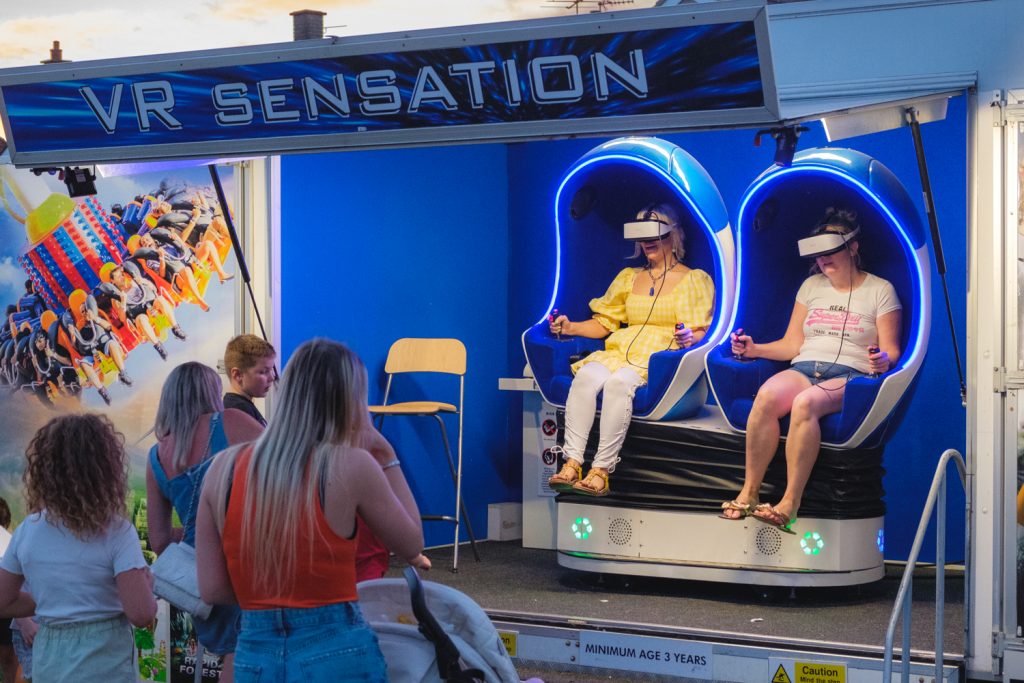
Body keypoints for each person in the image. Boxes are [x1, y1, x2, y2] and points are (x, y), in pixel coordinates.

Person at [196, 338, 430, 682]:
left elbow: (213, 589)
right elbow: (412, 542)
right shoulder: (352, 465)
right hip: (336, 651)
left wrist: (272, 598)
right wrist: (386, 454)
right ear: (349, 400)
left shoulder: (222, 469)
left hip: (253, 654)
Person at [722, 208, 902, 531]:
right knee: (765, 397)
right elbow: (792, 344)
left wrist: (882, 361)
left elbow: (893, 350)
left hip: (851, 374)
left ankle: (790, 503)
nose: (823, 260)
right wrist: (754, 349)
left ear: (853, 247)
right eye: (818, 254)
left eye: (830, 251)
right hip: (805, 367)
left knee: (805, 403)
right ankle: (749, 493)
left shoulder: (880, 290)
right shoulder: (811, 287)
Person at [546, 203, 715, 496]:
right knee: (585, 376)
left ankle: (600, 470)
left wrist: (691, 337)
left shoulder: (693, 279)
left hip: (659, 358)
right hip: (621, 350)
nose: (646, 241)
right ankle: (572, 463)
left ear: (672, 235)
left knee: (618, 384)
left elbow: (701, 331)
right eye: (640, 234)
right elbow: (604, 323)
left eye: (653, 233)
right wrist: (570, 327)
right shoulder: (628, 277)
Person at [0, 413, 157, 682]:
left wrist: (50, 601)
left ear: (45, 470)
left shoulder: (28, 530)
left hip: (51, 654)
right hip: (105, 657)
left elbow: (3, 600)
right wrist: (147, 583)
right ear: (106, 470)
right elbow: (141, 613)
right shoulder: (117, 531)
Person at [147, 362, 264, 682]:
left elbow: (158, 540)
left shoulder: (157, 456)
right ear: (211, 392)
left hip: (205, 575)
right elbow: (285, 468)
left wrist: (199, 533)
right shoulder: (230, 421)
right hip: (251, 564)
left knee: (233, 655)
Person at [223, 334, 276, 427]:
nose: (272, 377)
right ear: (238, 375)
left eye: (271, 369)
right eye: (263, 372)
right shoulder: (239, 412)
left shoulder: (244, 407)